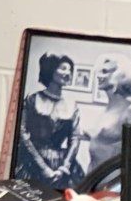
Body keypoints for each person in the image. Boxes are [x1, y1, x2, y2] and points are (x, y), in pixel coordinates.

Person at [14, 53, 84, 187]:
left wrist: (64, 167)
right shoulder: (32, 100)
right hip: (32, 162)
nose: (68, 73)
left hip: (62, 165)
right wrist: (44, 168)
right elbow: (22, 133)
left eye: (70, 70)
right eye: (63, 68)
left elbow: (75, 138)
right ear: (50, 69)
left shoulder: (72, 105)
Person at [79, 67, 131, 177]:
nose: (98, 75)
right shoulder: (109, 107)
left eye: (104, 71)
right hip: (93, 174)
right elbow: (111, 137)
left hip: (111, 180)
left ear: (121, 75)